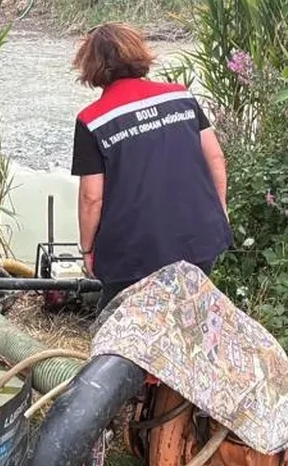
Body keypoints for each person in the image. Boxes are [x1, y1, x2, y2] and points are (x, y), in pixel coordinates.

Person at [70, 23, 232, 311]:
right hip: (199, 234)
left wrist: (88, 250)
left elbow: (91, 198)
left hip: (132, 252)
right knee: (190, 315)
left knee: (120, 329)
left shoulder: (92, 120)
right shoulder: (180, 96)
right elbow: (216, 158)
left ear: (90, 65)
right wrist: (220, 211)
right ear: (138, 53)